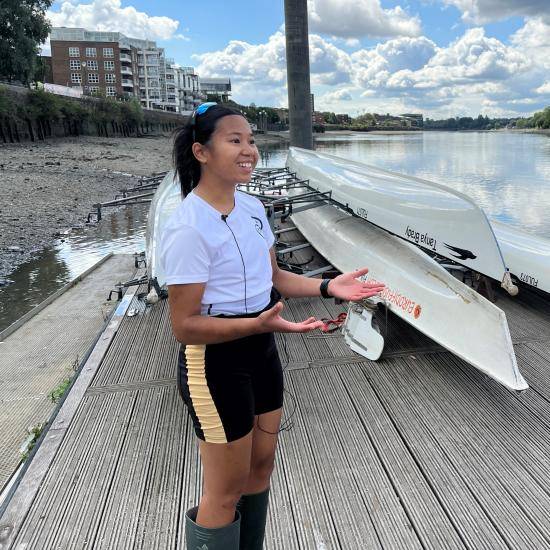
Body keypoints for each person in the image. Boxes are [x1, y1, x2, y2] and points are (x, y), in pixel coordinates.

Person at [160, 103, 385, 549]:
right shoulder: (187, 227)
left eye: (251, 140)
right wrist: (256, 325)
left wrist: (327, 287)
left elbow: (275, 278)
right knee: (224, 490)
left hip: (261, 350)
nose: (249, 150)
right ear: (201, 152)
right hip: (215, 365)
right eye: (235, 140)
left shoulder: (252, 208)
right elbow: (184, 326)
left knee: (260, 468)